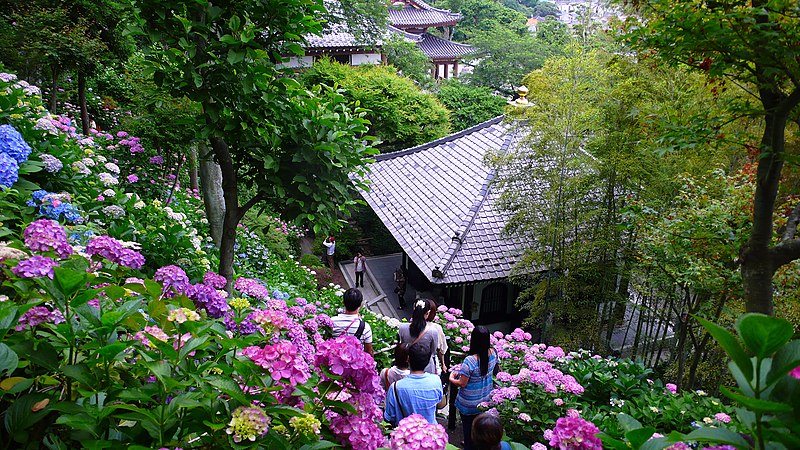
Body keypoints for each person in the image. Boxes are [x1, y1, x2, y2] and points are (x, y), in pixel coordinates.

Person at [449, 326, 498, 450]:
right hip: (485, 400)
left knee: (468, 429)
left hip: (469, 403)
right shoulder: (493, 353)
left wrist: (451, 378)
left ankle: (469, 445)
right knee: (481, 429)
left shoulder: (470, 361)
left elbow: (462, 383)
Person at [383, 342, 443, 426]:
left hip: (404, 435)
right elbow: (439, 402)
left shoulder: (396, 387)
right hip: (431, 433)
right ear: (427, 361)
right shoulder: (436, 381)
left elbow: (389, 416)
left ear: (408, 359)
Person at [398, 300, 438, 374]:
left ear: (414, 310)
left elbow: (402, 344)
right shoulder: (433, 331)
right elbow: (433, 351)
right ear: (428, 313)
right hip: (426, 367)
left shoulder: (402, 328)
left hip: (408, 366)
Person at [330, 288, 374, 356]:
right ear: (360, 305)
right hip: (355, 365)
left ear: (343, 303)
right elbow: (369, 351)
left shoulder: (332, 321)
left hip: (335, 361)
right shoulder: (365, 327)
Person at [425, 299, 448, 376]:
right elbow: (441, 349)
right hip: (430, 363)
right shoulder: (436, 327)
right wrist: (443, 364)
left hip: (413, 364)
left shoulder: (411, 326)